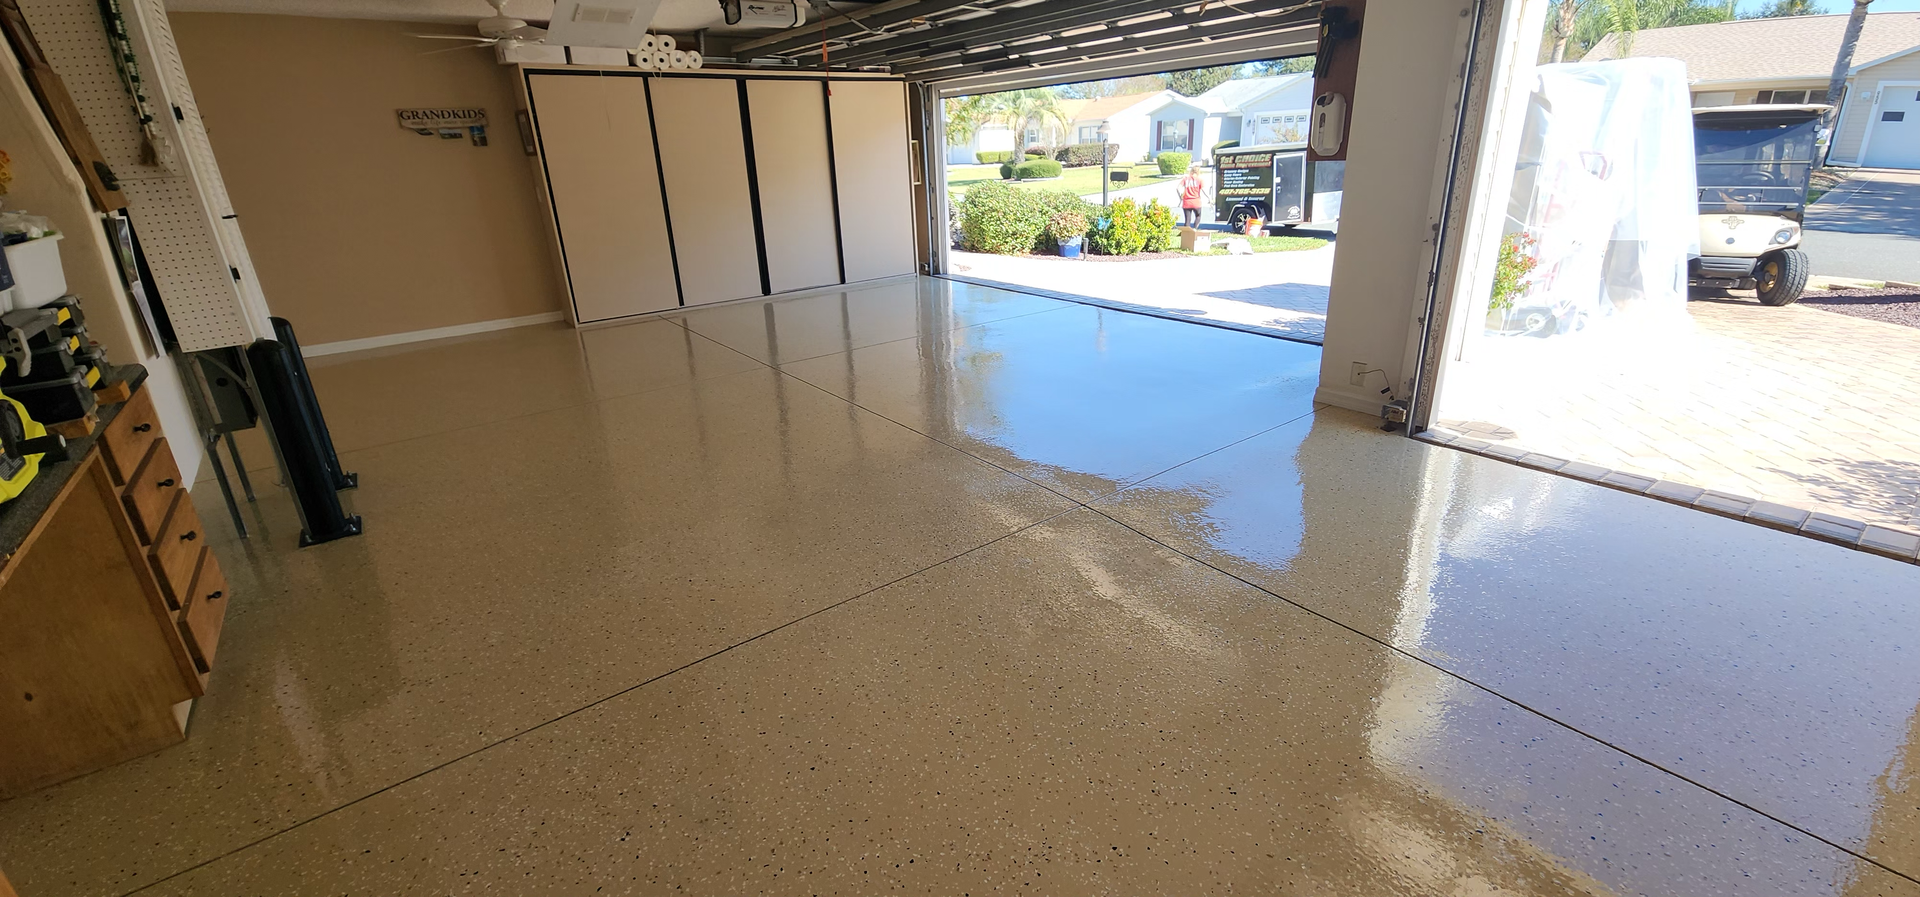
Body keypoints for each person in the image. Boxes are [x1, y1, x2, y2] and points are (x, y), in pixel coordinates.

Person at [1177, 163, 1208, 229]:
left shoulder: (1185, 179)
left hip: (1186, 202)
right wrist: (1209, 198)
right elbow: (1203, 190)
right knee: (1198, 216)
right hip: (1196, 201)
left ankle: (1186, 233)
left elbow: (1178, 188)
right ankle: (1195, 229)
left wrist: (1180, 197)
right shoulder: (1200, 179)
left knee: (1187, 220)